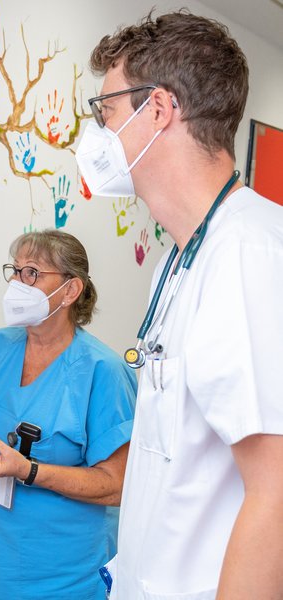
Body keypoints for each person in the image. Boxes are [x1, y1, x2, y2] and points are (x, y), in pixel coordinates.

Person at [80, 11, 283, 598]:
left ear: (160, 110)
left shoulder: (247, 253)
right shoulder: (183, 256)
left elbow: (275, 491)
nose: (96, 133)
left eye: (106, 111)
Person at [0, 230, 136, 599]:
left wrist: (28, 470)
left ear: (71, 290)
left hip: (60, 579)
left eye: (32, 273)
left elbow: (117, 485)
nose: (17, 283)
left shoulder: (102, 371)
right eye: (15, 271)